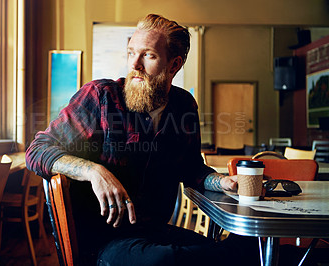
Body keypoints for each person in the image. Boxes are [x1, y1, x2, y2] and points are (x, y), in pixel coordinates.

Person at [26, 14, 259, 265]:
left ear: (174, 65)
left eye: (148, 55)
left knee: (250, 248)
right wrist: (94, 171)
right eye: (131, 53)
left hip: (154, 233)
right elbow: (37, 150)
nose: (134, 64)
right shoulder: (100, 96)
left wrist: (222, 181)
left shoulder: (184, 106)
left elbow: (192, 170)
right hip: (103, 241)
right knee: (169, 260)